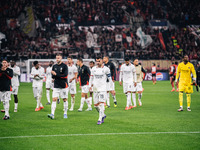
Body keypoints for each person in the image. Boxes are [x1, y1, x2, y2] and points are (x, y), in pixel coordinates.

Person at [89, 56, 110, 125]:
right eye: (96, 61)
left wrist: (110, 88)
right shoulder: (93, 69)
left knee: (101, 103)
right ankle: (103, 115)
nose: (97, 63)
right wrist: (90, 86)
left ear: (102, 61)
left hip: (103, 88)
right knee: (95, 105)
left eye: (99, 61)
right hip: (95, 88)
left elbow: (109, 79)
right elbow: (91, 78)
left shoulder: (106, 69)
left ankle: (100, 118)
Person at [48, 54, 69, 119]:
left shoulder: (65, 66)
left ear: (61, 58)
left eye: (58, 58)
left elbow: (65, 76)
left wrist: (56, 74)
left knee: (64, 99)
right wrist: (53, 74)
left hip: (63, 85)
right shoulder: (54, 66)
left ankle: (65, 113)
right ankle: (52, 114)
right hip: (56, 85)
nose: (57, 59)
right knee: (54, 99)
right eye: (56, 58)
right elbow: (53, 77)